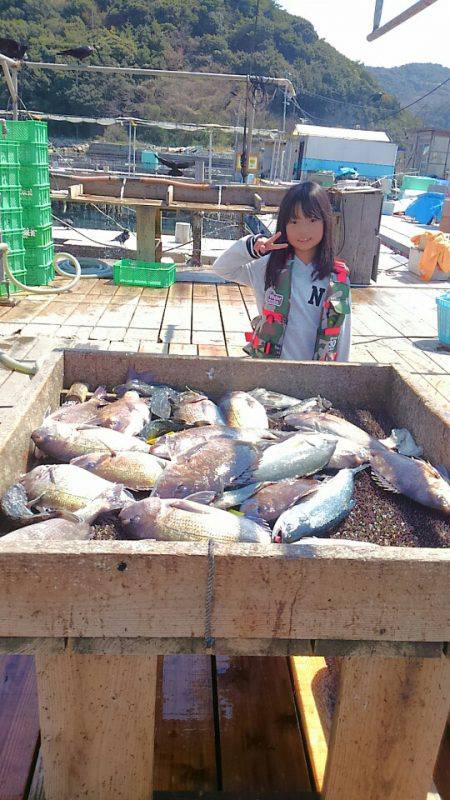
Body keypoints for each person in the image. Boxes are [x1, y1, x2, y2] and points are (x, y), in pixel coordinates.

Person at [213, 181, 351, 361]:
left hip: (316, 376)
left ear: (326, 222)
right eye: (294, 221)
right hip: (270, 372)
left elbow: (343, 335)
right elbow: (222, 268)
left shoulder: (337, 278)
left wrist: (340, 373)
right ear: (283, 224)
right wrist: (252, 247)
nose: (303, 230)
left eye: (312, 220)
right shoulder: (266, 265)